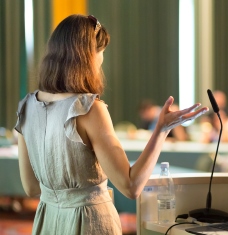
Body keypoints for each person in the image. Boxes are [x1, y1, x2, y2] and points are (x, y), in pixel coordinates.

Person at [14, 14, 208, 235]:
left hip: (47, 220)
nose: (102, 61)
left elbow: (30, 187)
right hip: (89, 222)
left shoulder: (26, 107)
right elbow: (131, 186)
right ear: (86, 56)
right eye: (101, 52)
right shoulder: (87, 108)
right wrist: (161, 131)